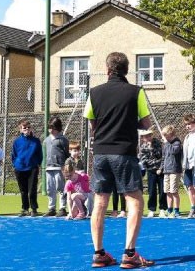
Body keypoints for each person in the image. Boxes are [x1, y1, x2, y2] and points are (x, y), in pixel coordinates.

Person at [83, 52, 154, 268]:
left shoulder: (94, 93)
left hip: (101, 153)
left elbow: (92, 123)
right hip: (124, 152)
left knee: (100, 202)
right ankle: (130, 254)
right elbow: (146, 123)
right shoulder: (136, 92)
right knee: (134, 201)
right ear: (126, 70)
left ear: (107, 70)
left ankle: (99, 253)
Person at [11, 119, 42, 217]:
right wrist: (16, 164)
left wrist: (37, 164)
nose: (27, 129)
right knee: (23, 190)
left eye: (28, 128)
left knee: (32, 189)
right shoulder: (16, 142)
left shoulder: (36, 141)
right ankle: (25, 208)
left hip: (32, 168)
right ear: (20, 129)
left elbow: (39, 154)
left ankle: (34, 209)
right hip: (20, 169)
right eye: (24, 128)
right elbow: (13, 155)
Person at [44, 117, 69, 217]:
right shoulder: (46, 140)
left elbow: (66, 153)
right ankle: (51, 208)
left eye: (53, 128)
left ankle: (62, 207)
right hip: (49, 167)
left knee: (61, 187)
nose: (50, 130)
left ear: (58, 128)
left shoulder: (63, 140)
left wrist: (65, 166)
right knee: (50, 188)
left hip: (60, 167)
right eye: (49, 128)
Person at [139, 127, 166, 218]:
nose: (147, 138)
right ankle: (151, 209)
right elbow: (144, 160)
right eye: (145, 136)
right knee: (152, 191)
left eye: (148, 136)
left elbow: (162, 156)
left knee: (162, 190)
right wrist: (153, 166)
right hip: (150, 171)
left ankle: (162, 209)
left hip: (161, 171)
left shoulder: (159, 143)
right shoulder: (142, 147)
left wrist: (160, 168)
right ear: (142, 138)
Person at [65, 141, 93, 216]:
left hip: (79, 183)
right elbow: (69, 171)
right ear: (70, 151)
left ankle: (83, 210)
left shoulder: (80, 161)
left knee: (78, 197)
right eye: (75, 151)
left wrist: (82, 175)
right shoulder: (69, 160)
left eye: (78, 151)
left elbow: (82, 172)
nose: (77, 152)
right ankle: (71, 211)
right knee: (71, 197)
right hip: (73, 184)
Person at [161, 126, 183, 218]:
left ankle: (176, 210)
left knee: (174, 191)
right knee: (167, 191)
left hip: (174, 170)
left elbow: (174, 151)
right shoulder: (166, 144)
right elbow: (164, 157)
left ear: (171, 134)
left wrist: (167, 143)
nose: (165, 137)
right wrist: (162, 167)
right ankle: (169, 209)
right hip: (167, 170)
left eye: (166, 135)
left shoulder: (177, 143)